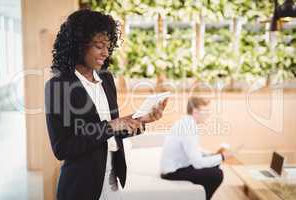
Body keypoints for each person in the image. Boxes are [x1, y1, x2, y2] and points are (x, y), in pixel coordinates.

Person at [45, 9, 168, 200]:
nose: (106, 52)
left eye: (108, 46)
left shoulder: (106, 79)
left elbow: (111, 133)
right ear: (79, 45)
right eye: (99, 46)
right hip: (81, 188)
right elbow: (62, 148)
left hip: (113, 183)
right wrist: (110, 126)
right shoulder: (58, 87)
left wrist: (141, 120)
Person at [160, 97, 232, 200]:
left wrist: (211, 155)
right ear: (195, 111)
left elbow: (191, 152)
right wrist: (223, 156)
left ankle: (199, 195)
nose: (209, 114)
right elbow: (197, 163)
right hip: (172, 173)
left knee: (214, 163)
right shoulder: (189, 128)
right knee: (217, 174)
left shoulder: (187, 123)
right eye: (206, 111)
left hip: (177, 167)